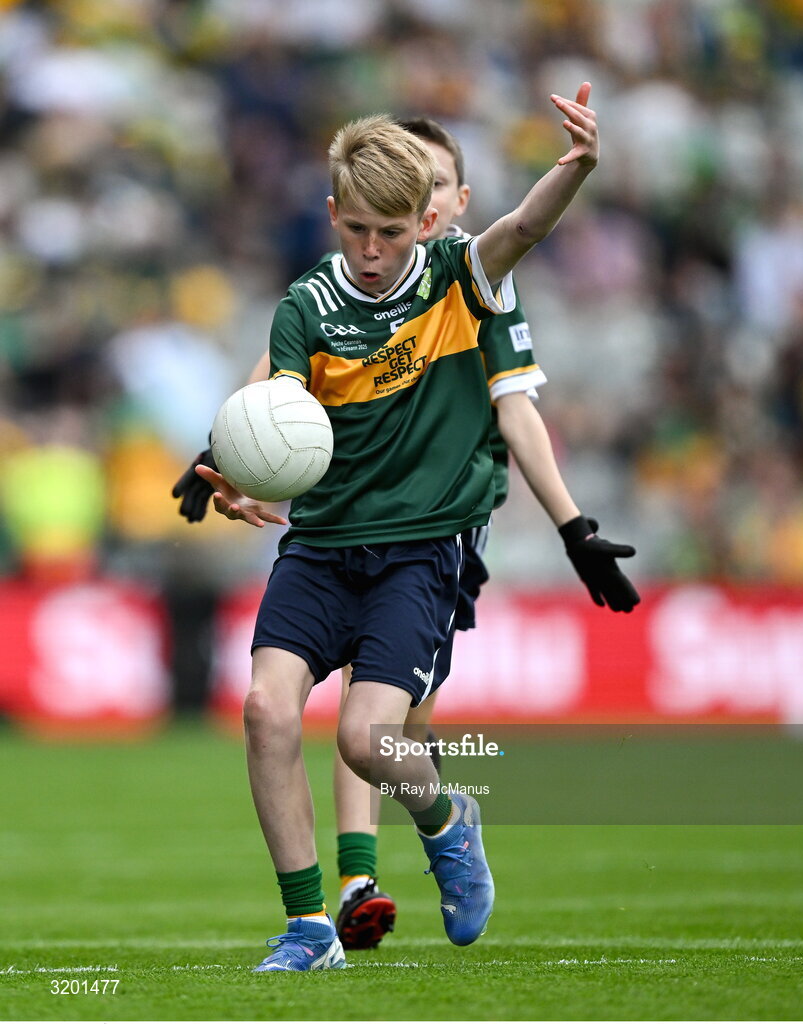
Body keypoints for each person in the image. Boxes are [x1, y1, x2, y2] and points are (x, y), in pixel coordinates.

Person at [173, 111, 640, 953]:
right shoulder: (305, 305)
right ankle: (309, 923)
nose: (371, 249)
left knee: (367, 738)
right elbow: (281, 417)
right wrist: (235, 470)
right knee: (264, 713)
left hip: (421, 550)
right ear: (331, 213)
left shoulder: (462, 275)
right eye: (355, 229)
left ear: (428, 220)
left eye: (390, 232)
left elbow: (525, 227)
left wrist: (577, 165)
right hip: (319, 544)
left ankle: (446, 816)